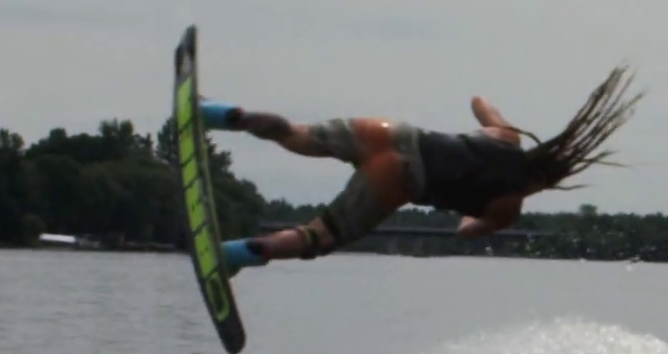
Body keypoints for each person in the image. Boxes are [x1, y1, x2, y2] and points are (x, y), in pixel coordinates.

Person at [199, 67, 640, 275]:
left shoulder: (507, 136)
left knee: (295, 134)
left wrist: (498, 119)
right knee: (321, 235)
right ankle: (237, 253)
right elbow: (465, 232)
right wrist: (470, 214)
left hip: (392, 134)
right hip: (400, 178)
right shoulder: (508, 206)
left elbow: (479, 101)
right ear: (547, 181)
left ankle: (224, 114)